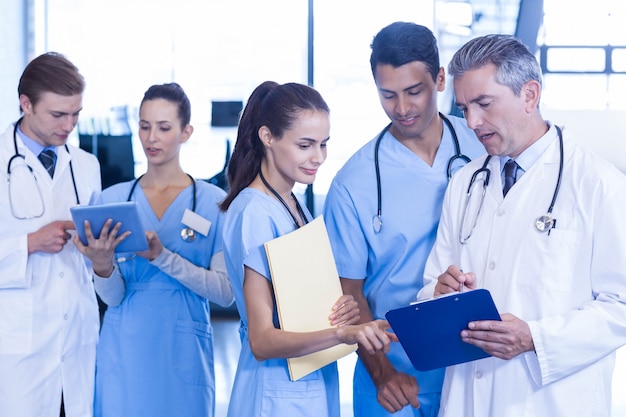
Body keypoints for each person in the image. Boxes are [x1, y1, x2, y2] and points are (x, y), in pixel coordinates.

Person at [418, 34, 626, 416]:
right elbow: (432, 284)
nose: (472, 122)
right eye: (464, 108)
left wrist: (535, 338)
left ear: (529, 95)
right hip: (469, 399)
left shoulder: (599, 185)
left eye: (483, 104)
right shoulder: (465, 183)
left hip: (552, 402)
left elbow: (621, 306)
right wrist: (439, 292)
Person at [322, 22, 484, 416]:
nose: (402, 108)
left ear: (440, 78)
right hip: (393, 374)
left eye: (415, 91)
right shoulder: (354, 182)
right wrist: (382, 374)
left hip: (477, 367)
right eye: (388, 94)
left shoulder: (483, 147)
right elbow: (349, 294)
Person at [220, 80, 396, 417]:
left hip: (312, 379)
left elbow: (297, 302)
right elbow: (262, 340)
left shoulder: (292, 201)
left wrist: (337, 309)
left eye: (324, 144)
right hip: (274, 391)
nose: (318, 158)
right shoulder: (255, 212)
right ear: (267, 137)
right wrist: (341, 332)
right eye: (305, 145)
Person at [75, 82, 234, 417]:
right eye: (145, 127)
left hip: (183, 352)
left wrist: (163, 258)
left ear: (186, 132)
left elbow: (224, 293)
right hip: (125, 349)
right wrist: (102, 266)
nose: (151, 138)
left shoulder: (213, 203)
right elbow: (113, 297)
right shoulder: (111, 200)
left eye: (163, 128)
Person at [0, 52, 101, 416]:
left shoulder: (86, 165)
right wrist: (29, 244)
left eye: (76, 113)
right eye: (58, 115)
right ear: (25, 104)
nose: (69, 125)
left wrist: (99, 250)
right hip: (18, 345)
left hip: (76, 336)